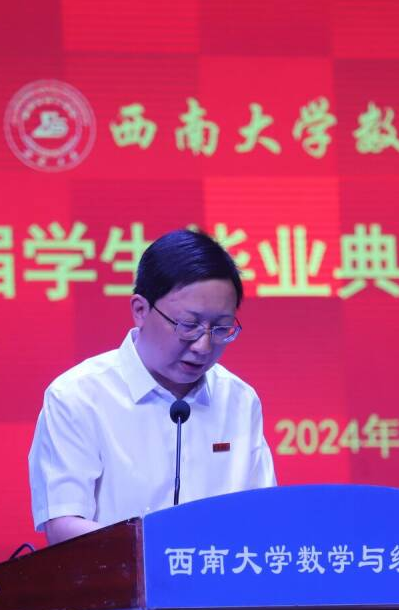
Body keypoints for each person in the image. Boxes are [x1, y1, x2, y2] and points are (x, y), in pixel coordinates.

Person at [29, 228, 277, 546]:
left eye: (220, 328)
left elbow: (263, 515)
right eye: (188, 325)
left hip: (221, 577)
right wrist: (165, 550)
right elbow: (63, 525)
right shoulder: (77, 396)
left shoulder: (239, 399)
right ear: (140, 311)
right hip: (117, 577)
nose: (203, 346)